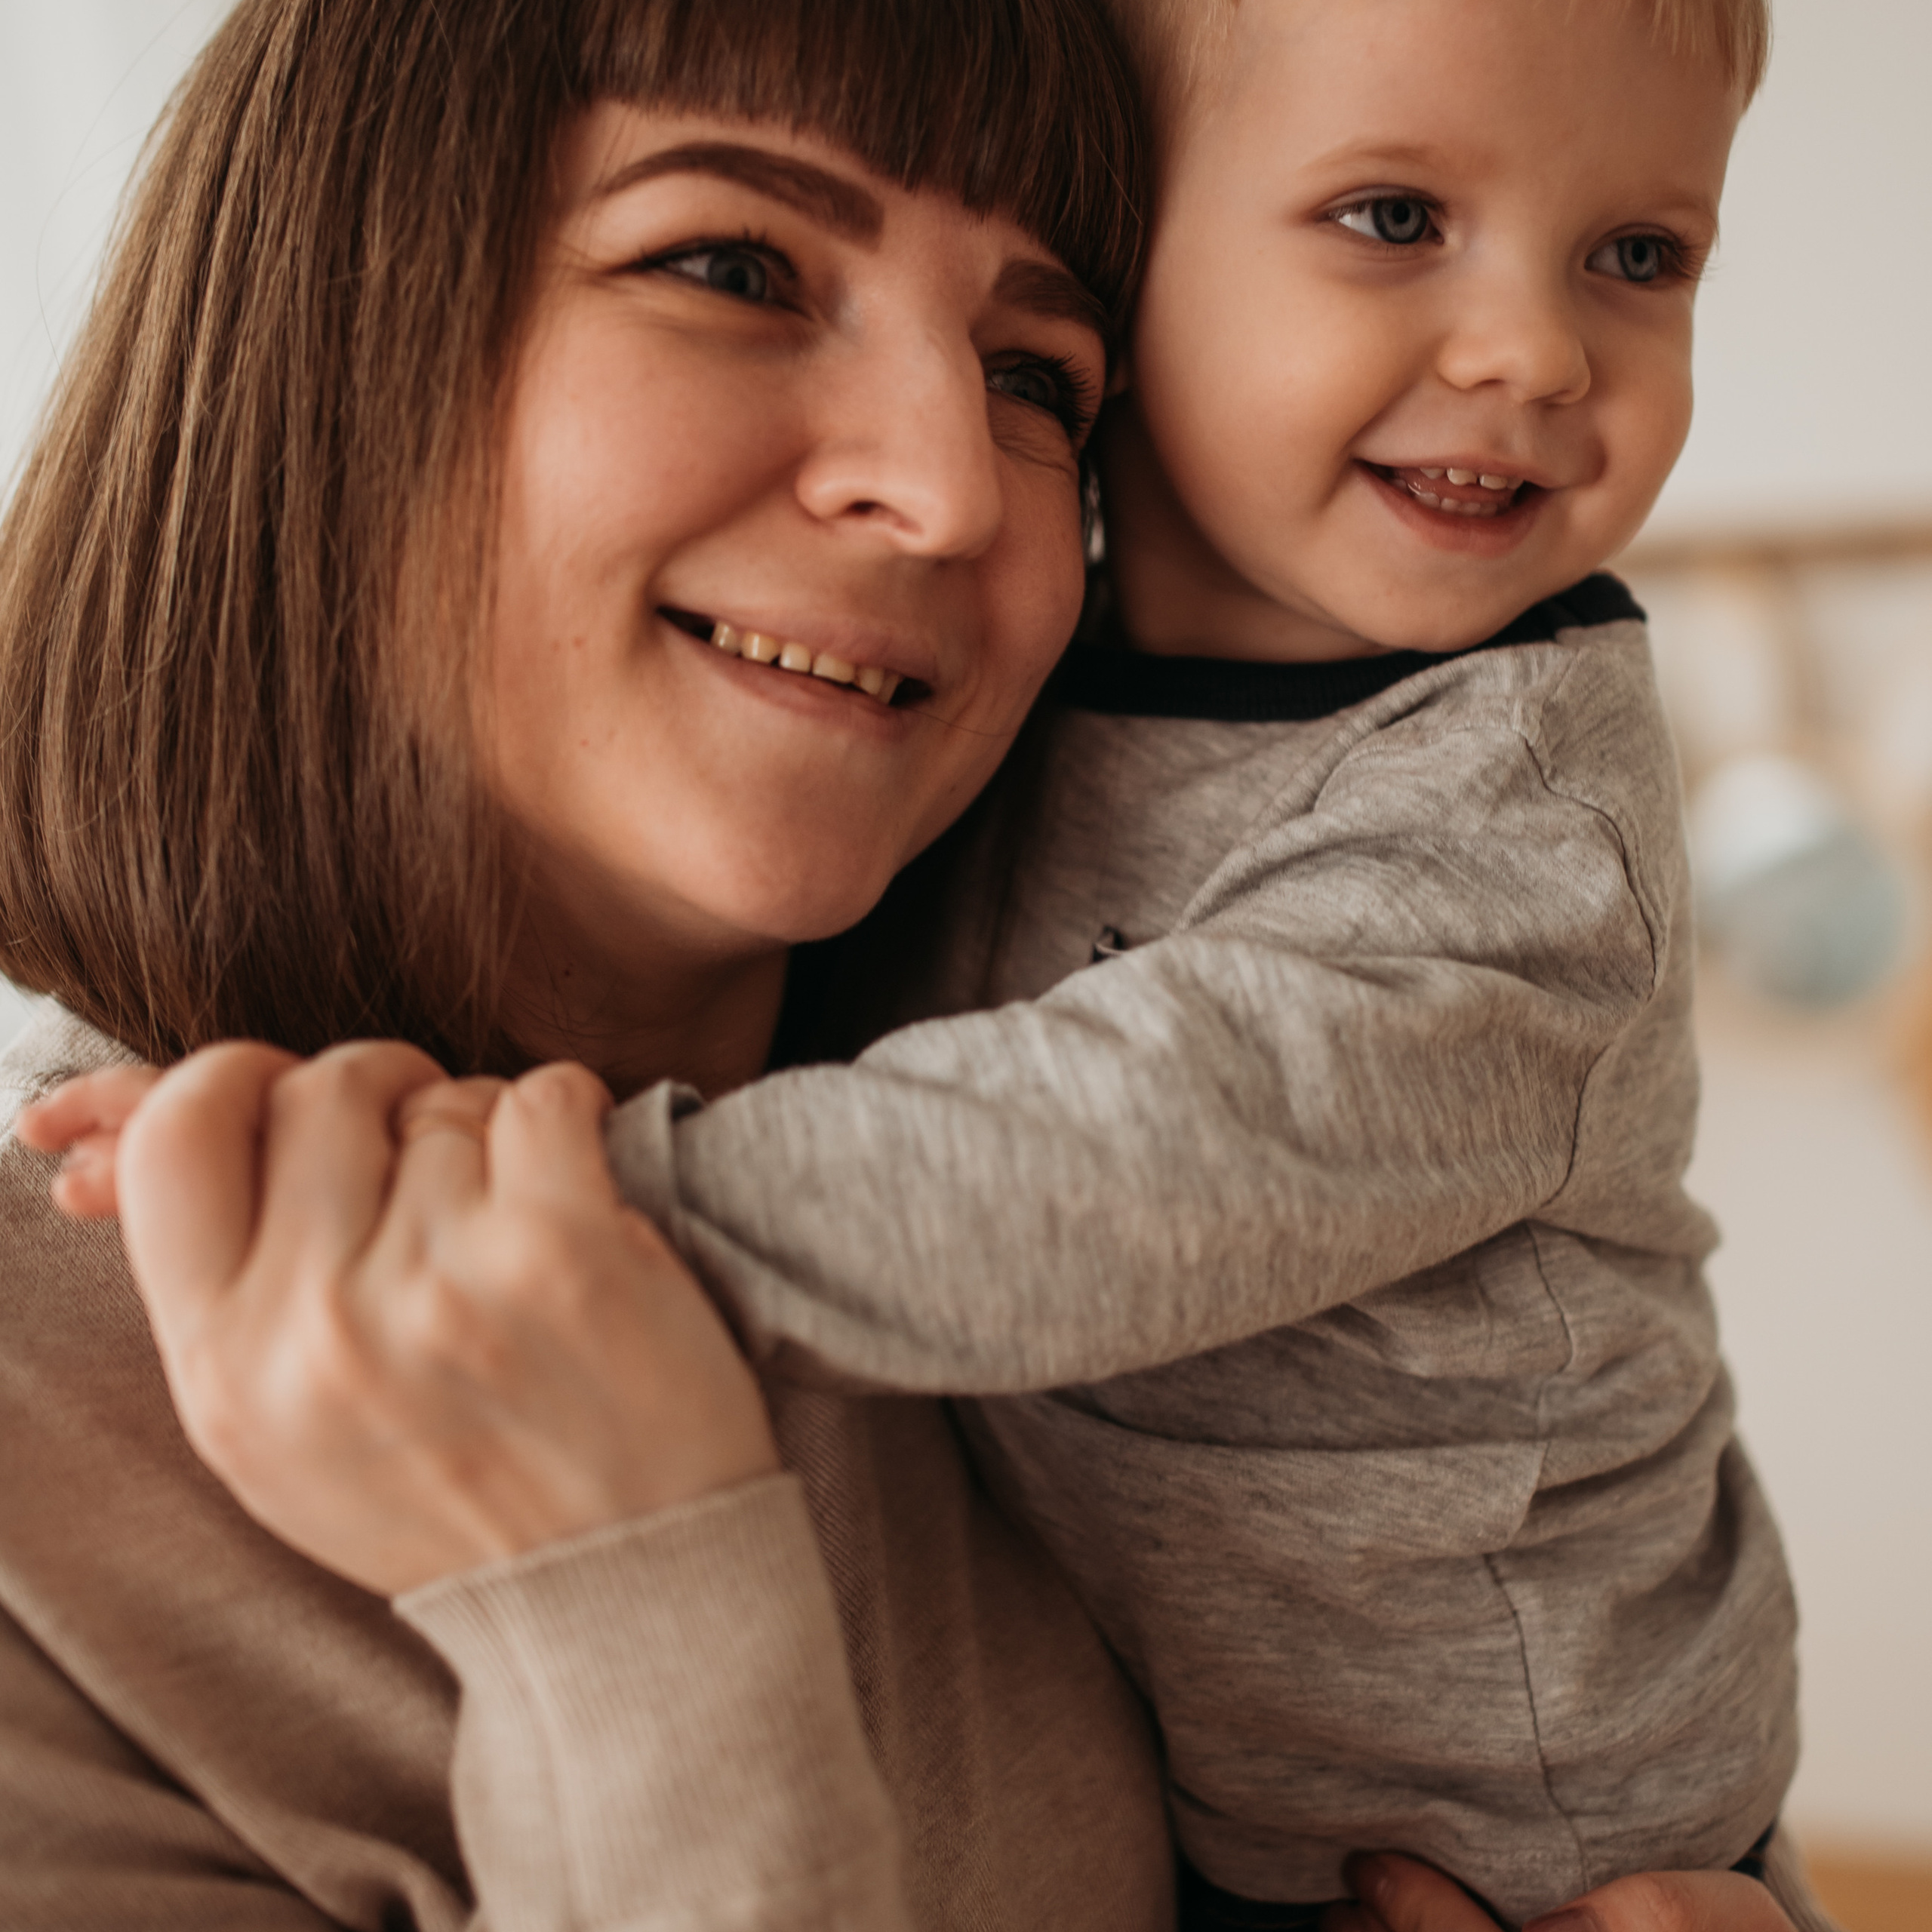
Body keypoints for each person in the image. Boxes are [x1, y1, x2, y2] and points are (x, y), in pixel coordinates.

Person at [6, 5, 1829, 1932]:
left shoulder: (1011, 1083)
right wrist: (625, 1596)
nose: (948, 487)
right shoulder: (47, 1477)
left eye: (1037, 372)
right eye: (730, 266)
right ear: (312, 324)